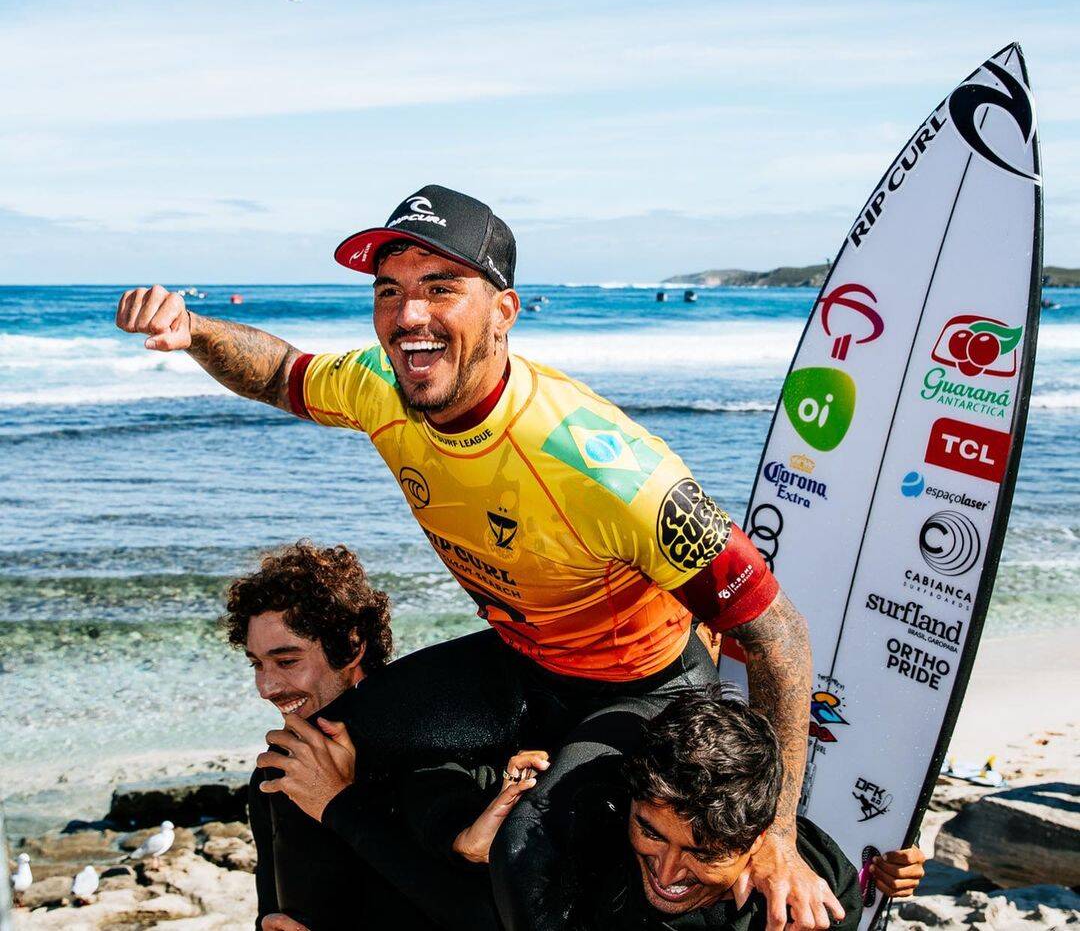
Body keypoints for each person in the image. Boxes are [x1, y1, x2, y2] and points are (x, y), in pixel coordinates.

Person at [116, 185, 830, 931]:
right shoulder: (377, 386)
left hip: (642, 686)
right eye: (389, 290)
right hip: (524, 661)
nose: (408, 315)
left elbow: (778, 634)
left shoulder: (607, 470)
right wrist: (193, 329)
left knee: (525, 853)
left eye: (440, 288)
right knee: (289, 766)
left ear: (504, 313)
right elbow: (277, 372)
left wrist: (775, 834)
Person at [436, 688, 925, 930]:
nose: (667, 872)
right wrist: (472, 835)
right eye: (651, 832)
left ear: (760, 841)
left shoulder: (813, 906)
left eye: (703, 853)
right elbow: (441, 778)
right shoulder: (587, 817)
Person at [228, 540, 452, 931]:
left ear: (350, 647)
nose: (266, 687)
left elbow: (471, 909)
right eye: (257, 664)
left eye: (286, 661)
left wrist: (343, 804)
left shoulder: (432, 751)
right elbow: (273, 911)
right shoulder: (276, 773)